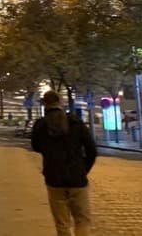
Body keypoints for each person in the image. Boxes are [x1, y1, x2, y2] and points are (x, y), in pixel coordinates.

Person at [31, 90, 97, 236]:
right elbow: (92, 150)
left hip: (54, 178)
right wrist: (83, 169)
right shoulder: (75, 122)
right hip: (77, 179)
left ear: (44, 103)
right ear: (60, 102)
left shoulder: (40, 125)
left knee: (62, 224)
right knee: (82, 220)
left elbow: (35, 146)